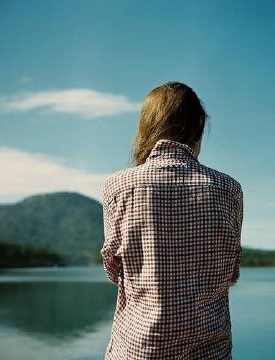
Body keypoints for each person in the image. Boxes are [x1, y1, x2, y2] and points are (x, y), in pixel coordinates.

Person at [100, 81, 244, 359]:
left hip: (140, 349)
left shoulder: (118, 187)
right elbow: (231, 273)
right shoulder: (230, 189)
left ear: (146, 127)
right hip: (211, 351)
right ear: (198, 128)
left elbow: (114, 271)